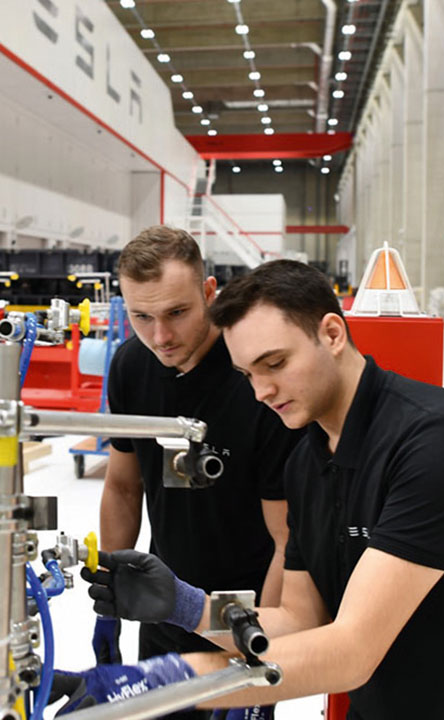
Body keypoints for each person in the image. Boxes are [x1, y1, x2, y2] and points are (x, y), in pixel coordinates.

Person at [60, 260, 444, 719]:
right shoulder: (307, 460)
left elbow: (350, 650)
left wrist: (161, 682)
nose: (261, 392)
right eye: (247, 374)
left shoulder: (438, 443)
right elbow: (300, 621)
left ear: (331, 333)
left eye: (275, 364)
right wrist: (187, 606)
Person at [96, 227, 300, 719]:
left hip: (244, 609)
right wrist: (110, 588)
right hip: (162, 604)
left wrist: (257, 645)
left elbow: (286, 538)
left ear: (210, 293)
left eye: (177, 313)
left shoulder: (253, 377)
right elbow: (124, 486)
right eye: (141, 316)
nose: (160, 336)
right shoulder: (130, 366)